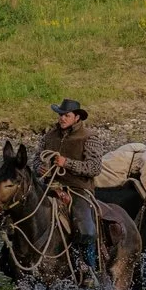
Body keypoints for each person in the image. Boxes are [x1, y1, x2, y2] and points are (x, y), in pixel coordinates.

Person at [37, 98, 101, 272]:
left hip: (78, 190)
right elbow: (36, 160)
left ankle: (87, 268)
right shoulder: (49, 136)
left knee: (86, 230)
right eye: (60, 115)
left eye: (66, 115)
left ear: (77, 118)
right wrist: (40, 168)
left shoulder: (90, 137)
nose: (62, 118)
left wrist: (67, 164)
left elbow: (94, 168)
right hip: (49, 187)